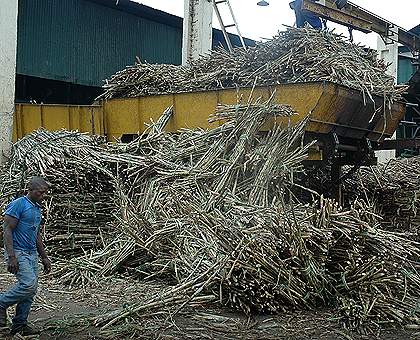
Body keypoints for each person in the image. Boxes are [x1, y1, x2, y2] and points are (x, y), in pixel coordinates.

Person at [0, 177, 51, 336]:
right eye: (41, 192)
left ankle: (20, 325)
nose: (43, 195)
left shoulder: (36, 208)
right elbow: (7, 229)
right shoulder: (19, 204)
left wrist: (44, 257)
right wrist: (11, 256)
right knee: (28, 284)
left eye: (45, 193)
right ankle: (1, 303)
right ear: (30, 190)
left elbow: (36, 235)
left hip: (31, 254)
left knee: (31, 291)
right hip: (18, 252)